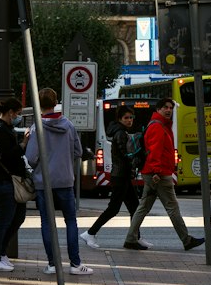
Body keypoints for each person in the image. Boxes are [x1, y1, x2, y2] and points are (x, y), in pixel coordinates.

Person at [24, 88, 93, 277]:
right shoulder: (69, 125)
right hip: (65, 180)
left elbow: (31, 158)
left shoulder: (36, 127)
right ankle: (75, 264)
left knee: (47, 222)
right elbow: (78, 152)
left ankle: (53, 264)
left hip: (43, 182)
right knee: (71, 221)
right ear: (56, 102)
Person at [121, 97, 204, 253]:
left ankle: (130, 239)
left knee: (143, 207)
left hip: (154, 172)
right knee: (172, 208)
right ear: (158, 110)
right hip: (159, 174)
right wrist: (157, 171)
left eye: (171, 108)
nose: (168, 110)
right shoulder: (158, 127)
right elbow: (155, 151)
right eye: (165, 107)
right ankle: (186, 240)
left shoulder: (161, 125)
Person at [0, 97, 30, 273]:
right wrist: (23, 144)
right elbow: (6, 155)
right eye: (18, 113)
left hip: (7, 180)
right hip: (1, 180)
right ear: (10, 112)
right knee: (2, 221)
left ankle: (1, 253)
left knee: (17, 218)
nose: (18, 117)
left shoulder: (4, 128)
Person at [85, 104, 140, 247]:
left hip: (123, 176)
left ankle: (134, 239)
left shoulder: (121, 131)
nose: (129, 120)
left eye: (131, 117)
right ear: (120, 119)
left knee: (135, 207)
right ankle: (90, 233)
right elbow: (125, 154)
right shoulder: (121, 133)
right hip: (121, 176)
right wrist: (136, 157)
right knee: (114, 208)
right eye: (126, 118)